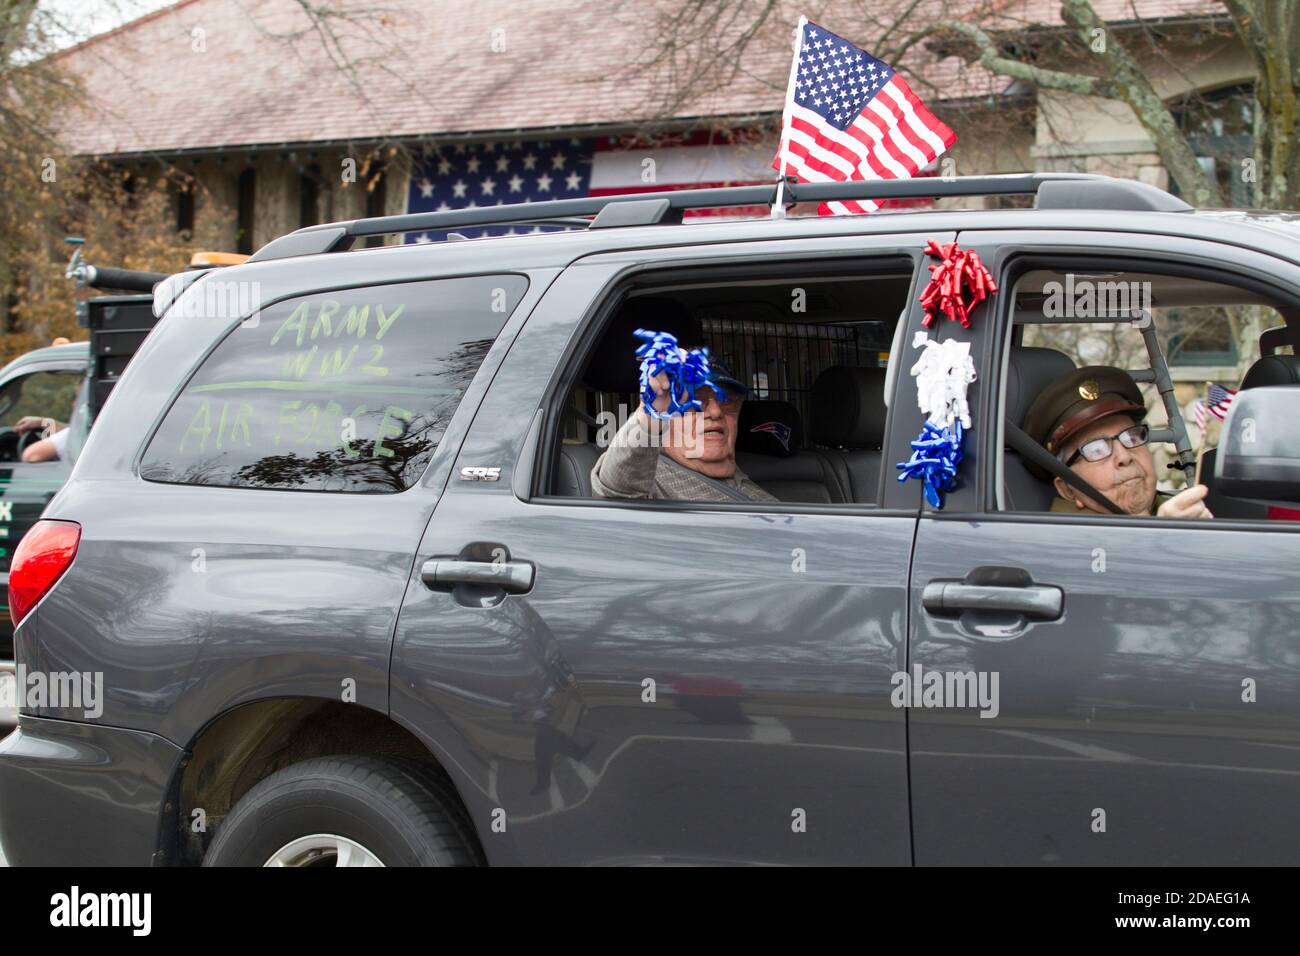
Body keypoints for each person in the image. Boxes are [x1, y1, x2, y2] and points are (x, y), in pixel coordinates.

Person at [1022, 366, 1212, 519]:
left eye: (1131, 437)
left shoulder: (1182, 511)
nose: (1124, 457)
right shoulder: (1061, 544)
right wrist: (1161, 539)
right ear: (1068, 489)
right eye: (1096, 449)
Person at [591, 352, 778, 502]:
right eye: (694, 399)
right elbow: (618, 483)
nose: (715, 412)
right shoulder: (649, 479)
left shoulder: (745, 475)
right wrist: (650, 415)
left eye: (726, 401)